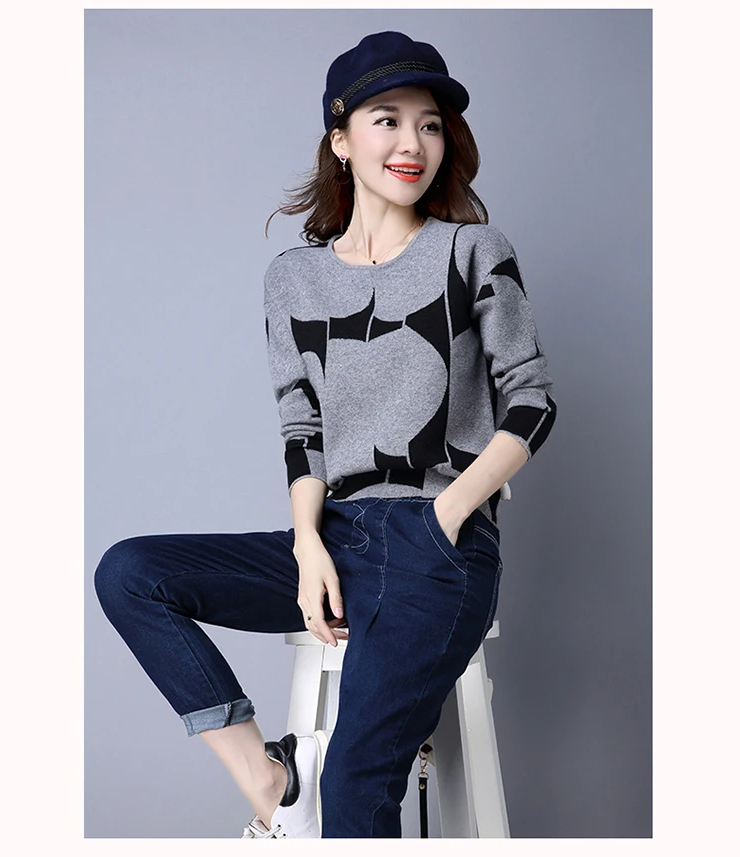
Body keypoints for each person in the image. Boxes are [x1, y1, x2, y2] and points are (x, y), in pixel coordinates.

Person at [93, 30, 558, 839]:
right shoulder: (294, 278)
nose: (413, 143)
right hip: (335, 538)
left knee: (356, 783)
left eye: (431, 124)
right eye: (388, 120)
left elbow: (533, 401)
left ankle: (320, 793)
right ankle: (274, 784)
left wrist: (448, 516)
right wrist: (308, 542)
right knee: (130, 573)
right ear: (340, 139)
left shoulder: (473, 252)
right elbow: (301, 427)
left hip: (436, 547)